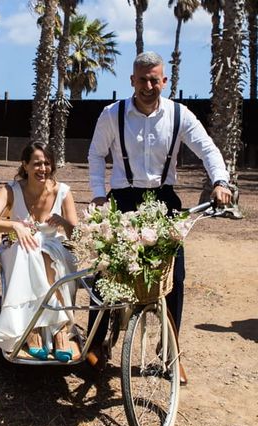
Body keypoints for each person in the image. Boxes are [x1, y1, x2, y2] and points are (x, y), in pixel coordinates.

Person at [86, 51, 233, 383]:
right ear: (132, 81)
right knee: (105, 270)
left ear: (164, 81)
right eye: (143, 79)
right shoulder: (113, 114)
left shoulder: (180, 115)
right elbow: (96, 153)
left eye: (155, 79)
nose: (149, 86)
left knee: (174, 278)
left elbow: (208, 149)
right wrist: (97, 194)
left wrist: (220, 182)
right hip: (123, 200)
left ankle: (171, 351)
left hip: (164, 201)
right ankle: (97, 342)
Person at [0, 141, 79, 361]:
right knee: (29, 253)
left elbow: (77, 234)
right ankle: (34, 330)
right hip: (17, 245)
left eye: (46, 163)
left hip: (52, 245)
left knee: (49, 254)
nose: (42, 168)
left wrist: (62, 220)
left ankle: (59, 330)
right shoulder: (11, 190)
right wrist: (15, 225)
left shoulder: (63, 191)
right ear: (24, 165)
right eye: (36, 163)